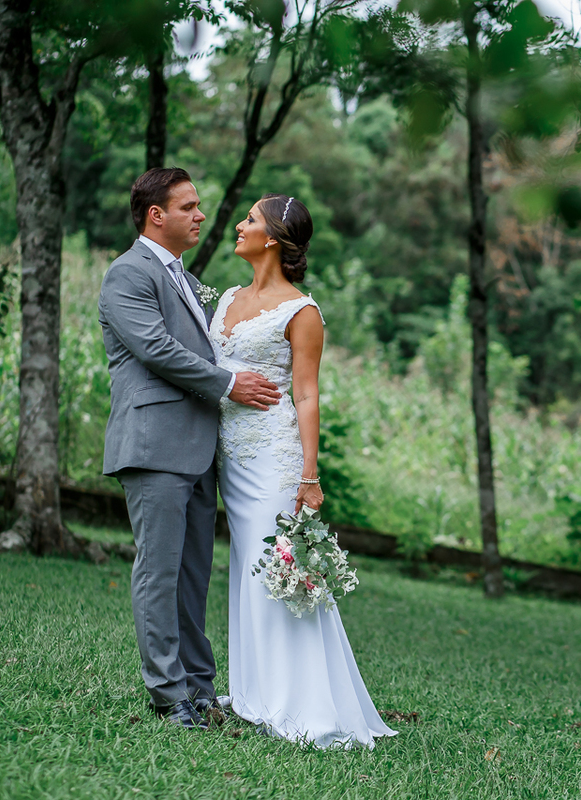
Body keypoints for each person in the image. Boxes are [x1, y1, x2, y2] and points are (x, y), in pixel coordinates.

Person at [98, 168, 281, 729]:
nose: (201, 215)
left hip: (198, 447)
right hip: (154, 445)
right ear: (157, 215)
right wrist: (229, 385)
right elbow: (153, 348)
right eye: (189, 207)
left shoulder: (184, 276)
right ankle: (167, 694)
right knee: (159, 571)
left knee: (192, 573)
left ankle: (201, 688)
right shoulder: (127, 273)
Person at [213, 193, 396, 748]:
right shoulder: (226, 298)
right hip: (227, 455)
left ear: (271, 239)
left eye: (249, 220)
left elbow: (308, 394)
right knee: (246, 568)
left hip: (273, 459)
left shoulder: (303, 311)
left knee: (276, 571)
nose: (239, 226)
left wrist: (309, 477)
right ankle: (254, 690)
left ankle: (301, 704)